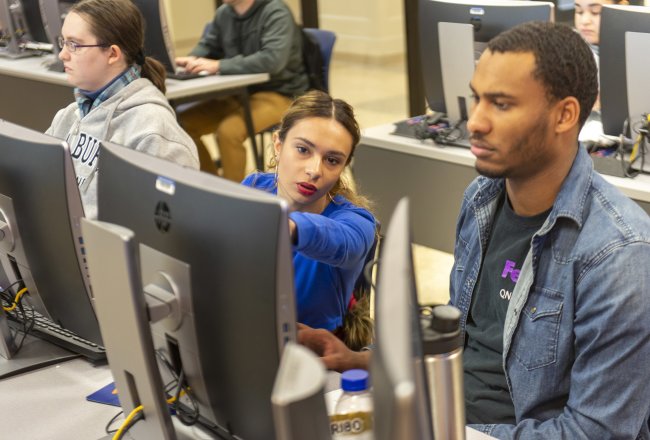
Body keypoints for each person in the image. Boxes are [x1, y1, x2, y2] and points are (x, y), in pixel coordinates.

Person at [300, 22, 650, 439]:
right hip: (443, 412)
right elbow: (461, 342)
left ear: (565, 115)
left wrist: (448, 432)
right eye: (477, 98)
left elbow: (597, 432)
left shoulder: (618, 254)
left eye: (500, 104)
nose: (475, 122)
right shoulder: (481, 199)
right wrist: (358, 360)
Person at [242, 90, 376, 348]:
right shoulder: (255, 186)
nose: (315, 170)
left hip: (314, 357)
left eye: (332, 160)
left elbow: (345, 243)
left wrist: (287, 226)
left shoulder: (356, 221)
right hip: (250, 337)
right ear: (278, 145)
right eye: (303, 149)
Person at [46, 0, 199, 219]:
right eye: (63, 42)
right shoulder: (69, 116)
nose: (62, 55)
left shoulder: (154, 133)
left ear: (112, 54)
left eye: (74, 45)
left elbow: (171, 232)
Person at [176, 0, 309, 182]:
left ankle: (233, 200)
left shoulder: (275, 11)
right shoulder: (225, 13)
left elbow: (272, 60)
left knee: (229, 132)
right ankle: (212, 187)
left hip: (281, 94)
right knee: (181, 124)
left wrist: (219, 65)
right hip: (239, 93)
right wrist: (191, 60)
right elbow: (208, 46)